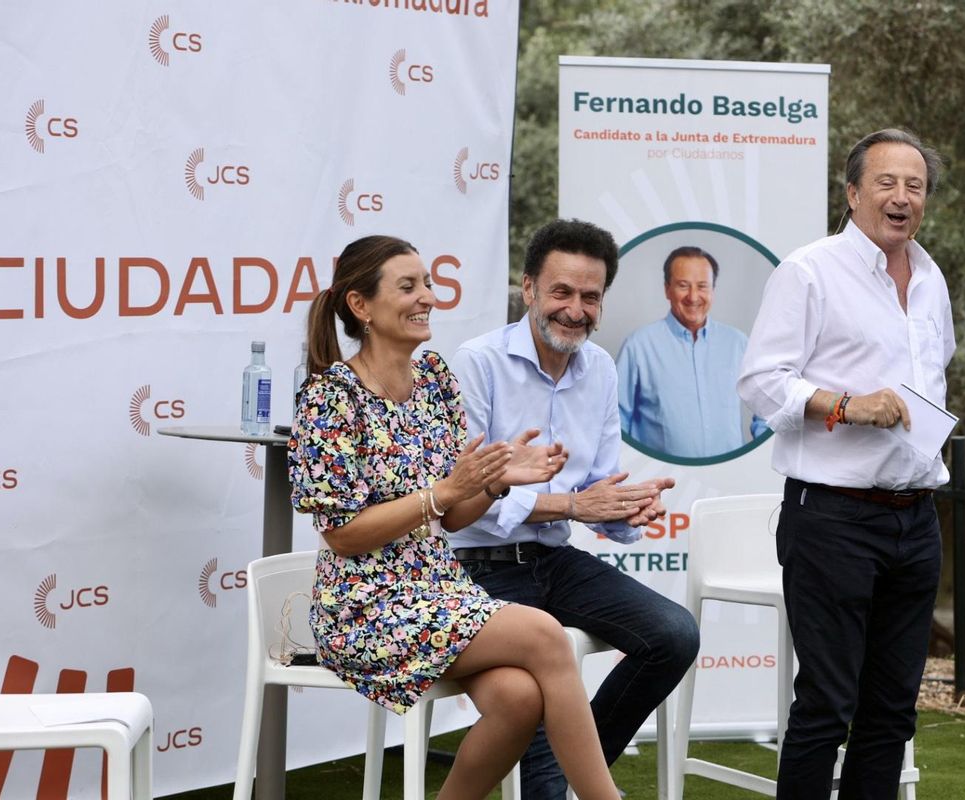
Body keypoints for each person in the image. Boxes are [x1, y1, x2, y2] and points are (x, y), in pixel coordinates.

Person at [288, 234, 622, 800]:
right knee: (545, 636)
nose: (428, 297)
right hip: (366, 607)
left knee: (517, 700)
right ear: (361, 306)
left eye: (428, 284)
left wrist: (494, 480)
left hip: (438, 590)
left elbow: (454, 510)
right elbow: (342, 535)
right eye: (409, 286)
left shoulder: (436, 381)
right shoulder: (330, 396)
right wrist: (441, 493)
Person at [449, 219, 701, 799]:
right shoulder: (477, 362)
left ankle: (566, 776)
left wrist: (624, 508)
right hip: (475, 567)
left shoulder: (601, 368)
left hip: (553, 559)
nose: (576, 310)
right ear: (529, 288)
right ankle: (561, 784)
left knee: (673, 635)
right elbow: (460, 497)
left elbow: (592, 491)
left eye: (591, 296)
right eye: (562, 292)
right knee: (542, 676)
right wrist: (573, 503)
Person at [737, 129, 953, 799]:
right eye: (886, 183)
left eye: (914, 186)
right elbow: (760, 381)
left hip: (915, 520)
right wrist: (846, 405)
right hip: (832, 519)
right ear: (853, 191)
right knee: (826, 706)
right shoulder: (809, 270)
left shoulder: (931, 277)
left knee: (892, 712)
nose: (901, 197)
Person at [616, 245, 765, 457]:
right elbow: (616, 420)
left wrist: (760, 457)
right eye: (683, 285)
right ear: (667, 289)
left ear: (713, 289)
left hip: (732, 479)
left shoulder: (738, 343)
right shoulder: (638, 346)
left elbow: (766, 408)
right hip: (661, 479)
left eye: (702, 286)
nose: (693, 297)